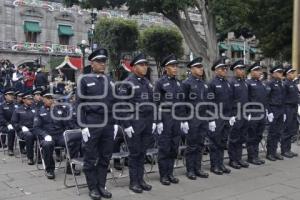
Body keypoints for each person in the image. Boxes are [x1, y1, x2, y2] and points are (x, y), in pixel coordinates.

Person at [77, 48, 117, 200]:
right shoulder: (85, 80)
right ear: (92, 63)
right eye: (99, 61)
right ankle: (92, 187)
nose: (102, 64)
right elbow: (79, 104)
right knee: (91, 157)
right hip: (92, 121)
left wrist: (114, 123)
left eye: (104, 61)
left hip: (107, 122)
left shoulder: (109, 80)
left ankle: (101, 185)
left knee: (105, 156)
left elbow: (114, 103)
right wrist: (83, 126)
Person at [118, 53, 155, 193]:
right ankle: (134, 182)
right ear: (133, 67)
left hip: (146, 122)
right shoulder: (128, 83)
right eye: (141, 65)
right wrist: (126, 125)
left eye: (146, 65)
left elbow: (152, 103)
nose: (145, 67)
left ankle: (141, 180)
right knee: (134, 154)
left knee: (142, 153)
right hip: (134, 123)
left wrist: (153, 121)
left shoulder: (147, 82)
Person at [33, 90, 81, 179]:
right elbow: (36, 128)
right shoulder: (39, 111)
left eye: (52, 98)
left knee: (75, 140)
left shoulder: (59, 110)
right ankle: (50, 169)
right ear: (43, 99)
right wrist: (44, 135)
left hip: (59, 135)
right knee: (47, 145)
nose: (51, 100)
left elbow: (67, 123)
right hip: (47, 136)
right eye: (48, 99)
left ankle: (70, 167)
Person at [154, 54, 185, 185]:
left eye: (176, 66)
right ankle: (163, 175)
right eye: (172, 66)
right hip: (165, 119)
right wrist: (158, 121)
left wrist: (183, 120)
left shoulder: (178, 83)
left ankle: (170, 173)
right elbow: (155, 103)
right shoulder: (160, 83)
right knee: (164, 148)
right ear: (166, 68)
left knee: (174, 147)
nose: (175, 68)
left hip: (176, 120)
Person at [182, 57, 209, 180]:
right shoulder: (187, 83)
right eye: (198, 67)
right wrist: (184, 120)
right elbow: (183, 103)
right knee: (191, 145)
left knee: (200, 144)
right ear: (192, 69)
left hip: (203, 117)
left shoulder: (203, 83)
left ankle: (198, 168)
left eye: (201, 67)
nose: (201, 69)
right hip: (192, 117)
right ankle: (190, 170)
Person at [207, 57, 233, 175]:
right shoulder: (212, 84)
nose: (225, 70)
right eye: (222, 69)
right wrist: (211, 119)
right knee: (215, 142)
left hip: (226, 116)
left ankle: (220, 163)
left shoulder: (227, 83)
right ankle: (214, 165)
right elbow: (210, 103)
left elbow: (230, 100)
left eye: (225, 68)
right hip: (217, 117)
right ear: (216, 70)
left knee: (223, 141)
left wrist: (231, 115)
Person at [227, 60, 250, 169]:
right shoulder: (231, 82)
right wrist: (231, 115)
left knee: (241, 137)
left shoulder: (245, 82)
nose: (242, 71)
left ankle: (239, 158)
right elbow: (229, 100)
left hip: (244, 113)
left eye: (243, 69)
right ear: (235, 70)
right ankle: (233, 159)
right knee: (234, 138)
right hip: (236, 113)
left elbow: (247, 99)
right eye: (240, 69)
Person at [246, 62, 268, 165]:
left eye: (260, 70)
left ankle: (255, 155)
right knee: (252, 136)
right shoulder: (248, 83)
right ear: (252, 71)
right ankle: (251, 157)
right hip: (253, 113)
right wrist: (248, 112)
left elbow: (264, 98)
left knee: (258, 135)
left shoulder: (261, 83)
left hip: (261, 113)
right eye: (257, 70)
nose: (259, 72)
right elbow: (246, 99)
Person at [11, 91, 36, 165]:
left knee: (42, 134)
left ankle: (40, 157)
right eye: (28, 99)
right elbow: (14, 122)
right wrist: (21, 127)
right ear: (24, 100)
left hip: (33, 129)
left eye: (31, 99)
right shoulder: (18, 110)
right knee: (29, 136)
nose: (30, 100)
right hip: (22, 131)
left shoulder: (34, 109)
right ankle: (30, 157)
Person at [266, 65, 285, 161]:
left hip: (281, 110)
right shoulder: (270, 84)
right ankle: (270, 153)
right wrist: (269, 112)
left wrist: (284, 112)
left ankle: (274, 151)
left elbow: (283, 99)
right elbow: (267, 99)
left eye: (282, 72)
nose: (281, 74)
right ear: (274, 73)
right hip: (273, 110)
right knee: (272, 133)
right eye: (279, 72)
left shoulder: (281, 83)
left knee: (278, 132)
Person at [281, 66, 299, 158]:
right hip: (288, 108)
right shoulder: (285, 84)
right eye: (291, 72)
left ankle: (288, 149)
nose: (293, 74)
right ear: (287, 74)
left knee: (291, 129)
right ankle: (284, 150)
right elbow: (283, 99)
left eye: (293, 72)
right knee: (286, 130)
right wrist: (284, 112)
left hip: (294, 108)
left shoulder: (293, 83)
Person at [0, 88, 17, 155]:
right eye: (9, 94)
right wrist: (7, 124)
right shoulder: (1, 106)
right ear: (5, 96)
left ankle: (23, 148)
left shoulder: (16, 105)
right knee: (11, 130)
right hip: (4, 126)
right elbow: (1, 118)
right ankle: (10, 149)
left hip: (15, 124)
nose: (11, 96)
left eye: (12, 94)